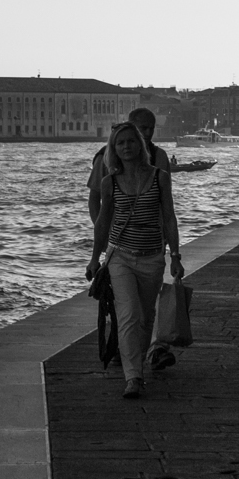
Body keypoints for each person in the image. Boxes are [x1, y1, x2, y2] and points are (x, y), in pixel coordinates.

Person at [88, 122, 184, 399]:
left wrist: (175, 255)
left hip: (152, 257)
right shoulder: (109, 183)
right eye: (120, 143)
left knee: (144, 316)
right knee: (128, 314)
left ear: (140, 145)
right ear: (113, 149)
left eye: (131, 141)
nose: (126, 146)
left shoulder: (159, 177)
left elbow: (169, 217)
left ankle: (136, 362)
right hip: (120, 257)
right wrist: (95, 258)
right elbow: (102, 223)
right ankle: (133, 377)